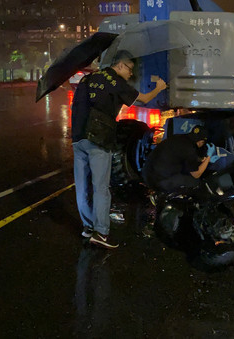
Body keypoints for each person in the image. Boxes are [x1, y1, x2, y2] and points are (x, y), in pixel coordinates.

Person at [72, 50, 167, 249]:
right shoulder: (114, 81)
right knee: (101, 189)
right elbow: (142, 98)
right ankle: (102, 233)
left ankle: (88, 228)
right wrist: (159, 87)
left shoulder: (87, 79)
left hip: (78, 139)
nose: (131, 74)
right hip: (98, 140)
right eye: (130, 69)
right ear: (120, 65)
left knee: (82, 187)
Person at [142, 125, 218, 193]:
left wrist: (201, 160)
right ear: (201, 142)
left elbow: (181, 156)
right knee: (195, 183)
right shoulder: (189, 149)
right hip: (158, 181)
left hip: (147, 173)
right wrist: (209, 157)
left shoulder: (179, 138)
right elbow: (196, 174)